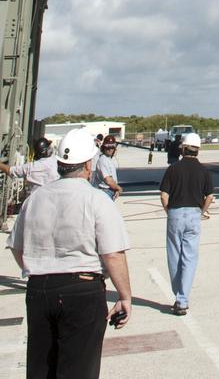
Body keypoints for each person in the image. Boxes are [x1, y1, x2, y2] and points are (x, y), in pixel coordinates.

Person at [7, 128, 131, 376]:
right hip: (82, 290)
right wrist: (125, 296)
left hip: (40, 290)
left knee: (42, 368)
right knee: (79, 369)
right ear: (88, 164)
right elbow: (113, 254)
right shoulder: (96, 200)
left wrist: (39, 269)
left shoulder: (36, 198)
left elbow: (17, 247)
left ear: (61, 163)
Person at [159, 132, 214, 316]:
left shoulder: (173, 169)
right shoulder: (204, 171)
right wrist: (202, 211)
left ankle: (178, 294)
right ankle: (183, 299)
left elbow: (164, 195)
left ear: (183, 148)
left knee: (174, 255)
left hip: (175, 213)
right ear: (198, 149)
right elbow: (210, 196)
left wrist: (169, 211)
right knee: (190, 258)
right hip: (194, 214)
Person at [91, 134, 122, 202]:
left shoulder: (108, 159)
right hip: (105, 192)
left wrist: (115, 189)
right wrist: (119, 188)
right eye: (108, 147)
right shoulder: (103, 160)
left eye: (112, 147)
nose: (110, 149)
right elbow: (108, 180)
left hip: (110, 191)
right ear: (104, 147)